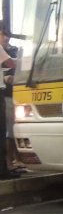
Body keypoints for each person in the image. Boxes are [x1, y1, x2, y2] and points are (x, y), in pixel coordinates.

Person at [0, 23, 20, 179]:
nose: (5, 37)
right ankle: (4, 169)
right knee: (3, 131)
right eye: (2, 34)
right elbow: (11, 64)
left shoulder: (9, 48)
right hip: (3, 93)